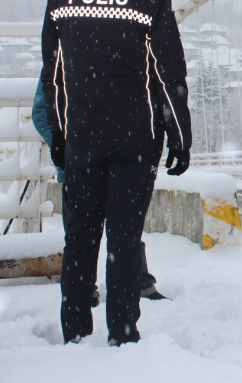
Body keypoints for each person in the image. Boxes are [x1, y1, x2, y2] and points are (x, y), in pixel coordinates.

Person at [40, 0, 192, 346]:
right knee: (124, 239)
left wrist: (60, 135)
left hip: (82, 139)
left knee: (80, 239)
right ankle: (123, 335)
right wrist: (180, 138)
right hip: (135, 140)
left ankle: (75, 333)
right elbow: (169, 77)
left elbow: (54, 78)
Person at [31, 78, 168, 304]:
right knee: (80, 236)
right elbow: (40, 113)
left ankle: (139, 282)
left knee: (125, 232)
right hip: (78, 169)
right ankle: (85, 294)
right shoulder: (63, 58)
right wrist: (71, 151)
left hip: (117, 164)